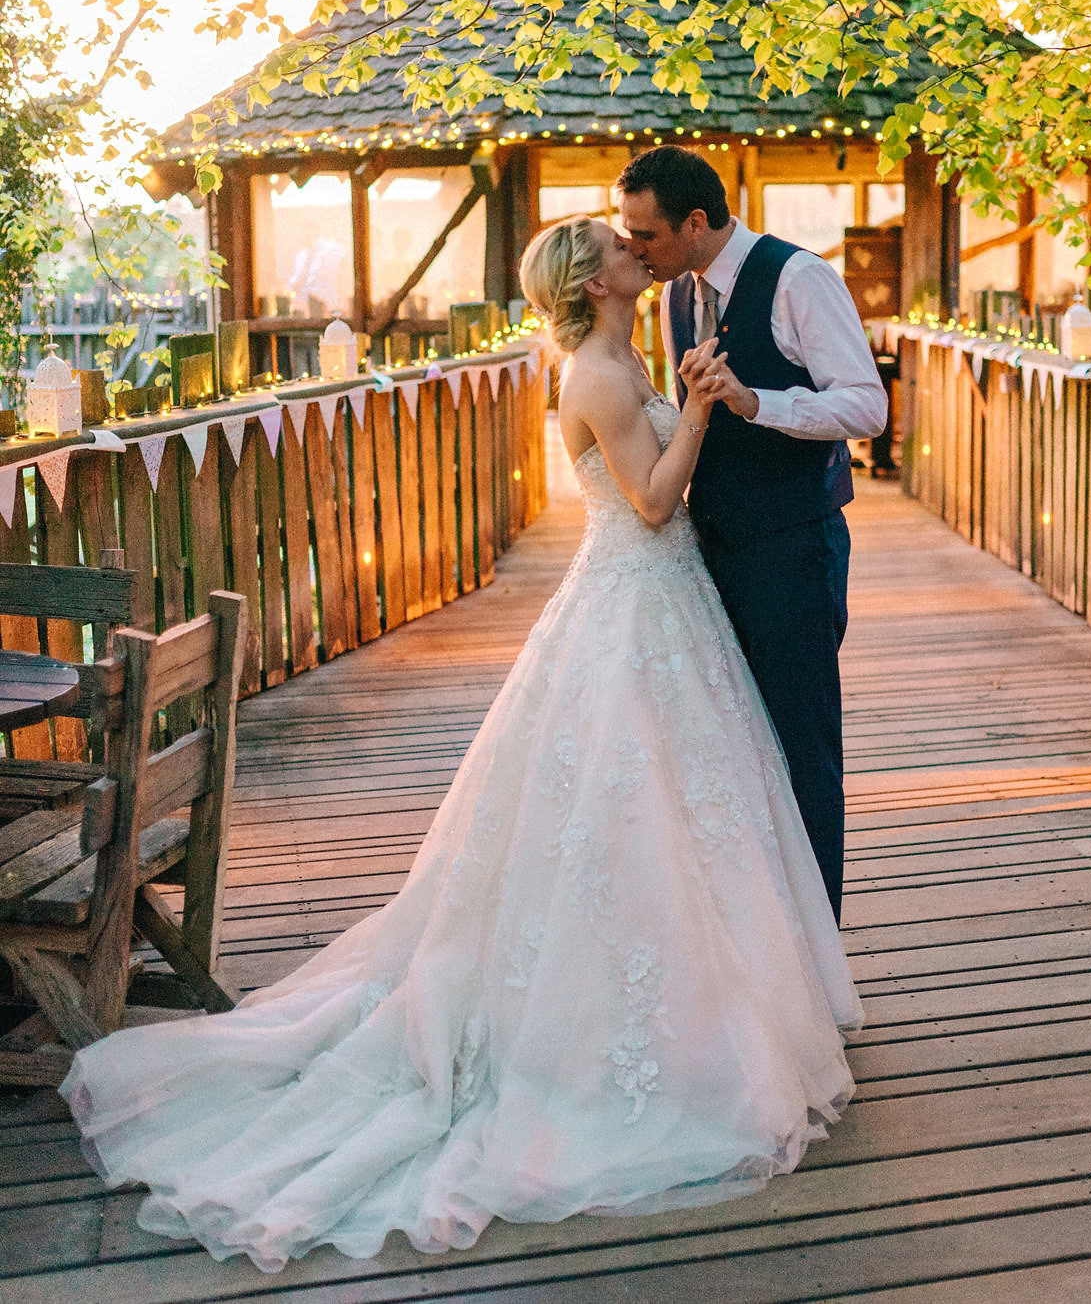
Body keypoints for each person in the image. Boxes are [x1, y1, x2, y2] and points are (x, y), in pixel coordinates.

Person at [60, 216, 861, 1274]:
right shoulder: (600, 375)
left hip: (667, 615)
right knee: (624, 817)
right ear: (593, 279)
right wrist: (706, 409)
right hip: (633, 607)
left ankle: (705, 1016)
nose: (638, 251)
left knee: (671, 818)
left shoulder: (630, 350)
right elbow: (656, 506)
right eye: (622, 246)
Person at [617, 149, 888, 923]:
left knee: (801, 747)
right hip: (710, 550)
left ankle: (816, 949)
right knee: (733, 746)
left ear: (696, 224)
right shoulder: (674, 297)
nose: (634, 247)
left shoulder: (801, 280)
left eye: (646, 234)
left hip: (793, 546)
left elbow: (867, 407)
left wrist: (757, 402)